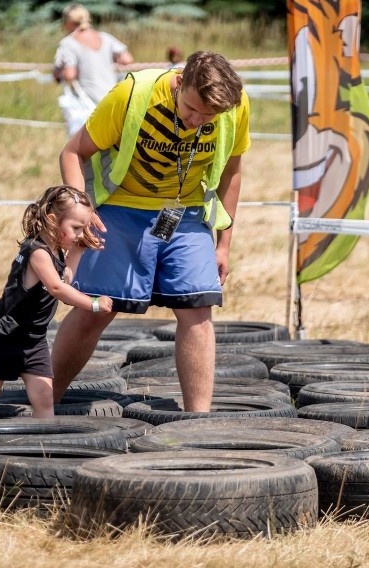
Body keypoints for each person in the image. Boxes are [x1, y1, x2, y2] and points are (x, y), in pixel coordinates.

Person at [52, 50, 250, 412]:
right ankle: (44, 401)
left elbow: (231, 173)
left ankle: (198, 422)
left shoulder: (234, 106)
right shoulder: (132, 95)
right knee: (96, 309)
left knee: (198, 308)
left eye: (209, 116)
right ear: (180, 83)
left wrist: (224, 245)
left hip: (184, 212)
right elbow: (72, 152)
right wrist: (81, 214)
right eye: (191, 109)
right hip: (118, 208)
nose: (197, 122)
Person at [0, 186, 113, 421]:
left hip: (33, 338)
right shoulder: (37, 251)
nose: (81, 233)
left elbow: (65, 277)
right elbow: (57, 288)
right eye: (76, 228)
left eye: (83, 228)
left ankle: (44, 446)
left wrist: (78, 250)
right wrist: (93, 304)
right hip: (6, 334)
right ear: (52, 220)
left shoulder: (56, 251)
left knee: (44, 397)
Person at [53, 3, 134, 135]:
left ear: (68, 22)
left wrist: (57, 72)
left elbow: (69, 74)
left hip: (87, 104)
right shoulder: (104, 37)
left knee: (86, 149)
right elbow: (127, 59)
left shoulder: (68, 43)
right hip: (111, 98)